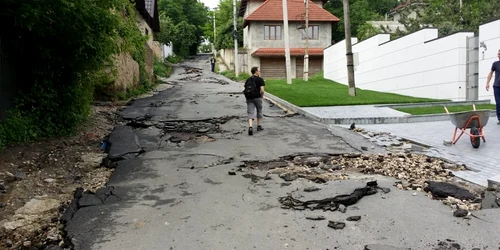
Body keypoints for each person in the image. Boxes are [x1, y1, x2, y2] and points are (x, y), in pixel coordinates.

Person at [244, 67, 265, 135]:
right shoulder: (260, 79)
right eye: (259, 71)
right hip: (257, 97)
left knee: (250, 112)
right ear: (256, 72)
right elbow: (262, 90)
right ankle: (258, 126)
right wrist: (262, 95)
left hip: (249, 97)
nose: (260, 72)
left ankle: (250, 126)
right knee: (259, 110)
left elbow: (245, 88)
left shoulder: (248, 79)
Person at [486, 49, 500, 125]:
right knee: (498, 103)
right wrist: (487, 83)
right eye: (498, 54)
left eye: (499, 54)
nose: (498, 55)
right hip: (497, 86)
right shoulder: (495, 64)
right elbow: (490, 73)